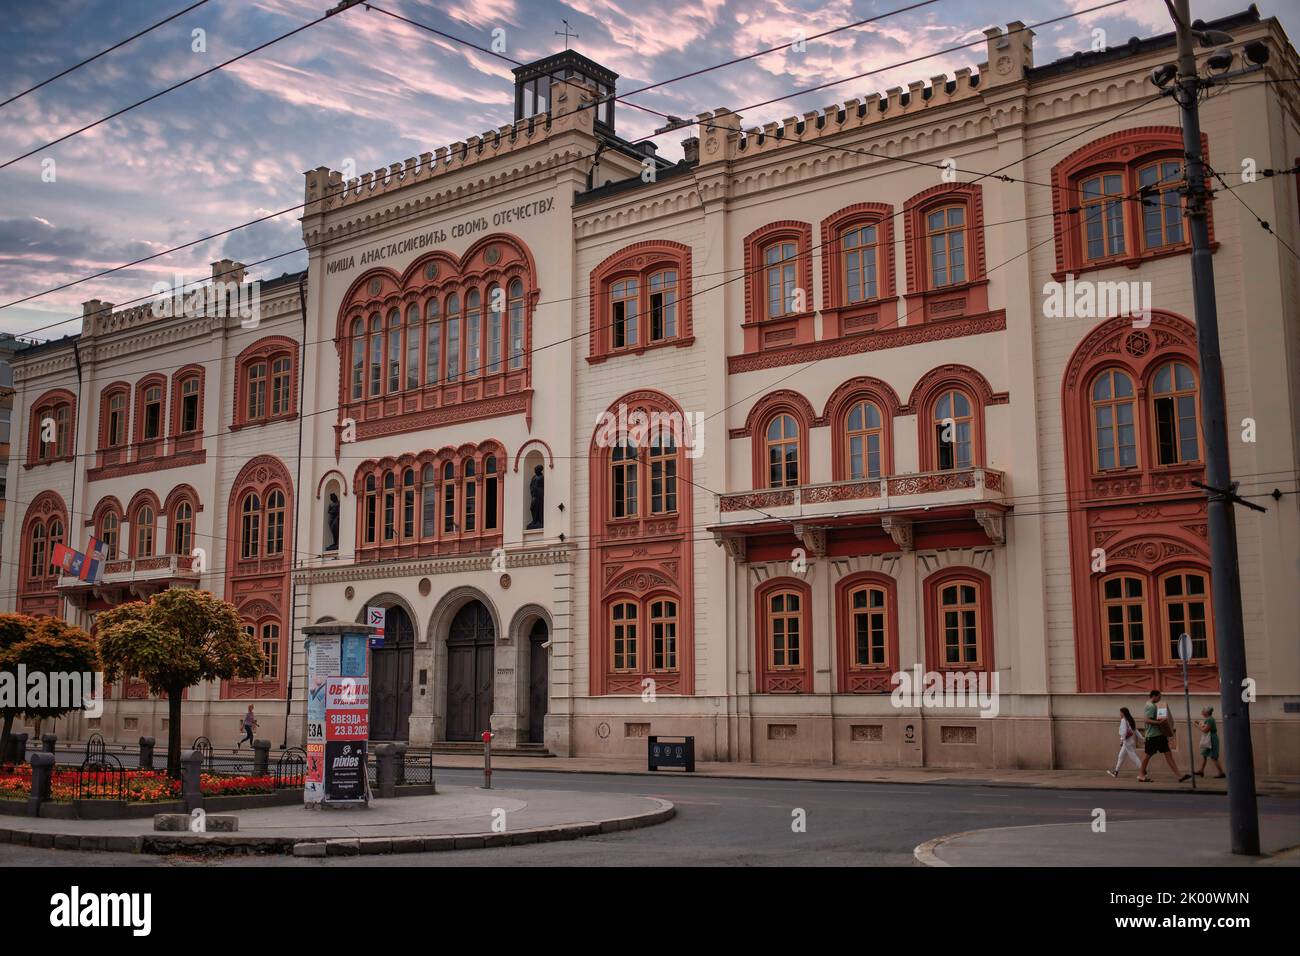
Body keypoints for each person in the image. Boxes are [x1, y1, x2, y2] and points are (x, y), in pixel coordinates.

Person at [1138, 689, 1191, 783]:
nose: (1160, 699)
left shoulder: (1153, 705)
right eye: (1159, 697)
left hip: (1160, 735)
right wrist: (1159, 723)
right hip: (1152, 736)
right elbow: (1146, 720)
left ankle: (1179, 775)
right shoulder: (1150, 706)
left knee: (1168, 754)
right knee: (1147, 756)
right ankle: (1141, 775)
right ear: (1154, 696)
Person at [1107, 706, 1142, 777]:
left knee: (1134, 757)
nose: (1119, 714)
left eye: (1120, 713)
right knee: (1121, 756)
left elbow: (1124, 732)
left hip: (1127, 742)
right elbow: (1136, 731)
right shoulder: (1130, 720)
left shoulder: (1123, 720)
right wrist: (1142, 738)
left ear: (1123, 713)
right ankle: (1116, 772)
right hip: (1130, 741)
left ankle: (1143, 771)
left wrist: (1121, 740)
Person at [1195, 706, 1226, 778]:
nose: (1202, 712)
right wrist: (1199, 723)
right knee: (1204, 755)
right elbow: (1205, 726)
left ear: (1206, 712)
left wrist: (1196, 725)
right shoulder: (1209, 719)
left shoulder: (1210, 719)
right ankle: (1201, 771)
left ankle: (1221, 773)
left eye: (1203, 711)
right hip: (1209, 739)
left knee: (1213, 757)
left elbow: (1205, 730)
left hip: (1211, 740)